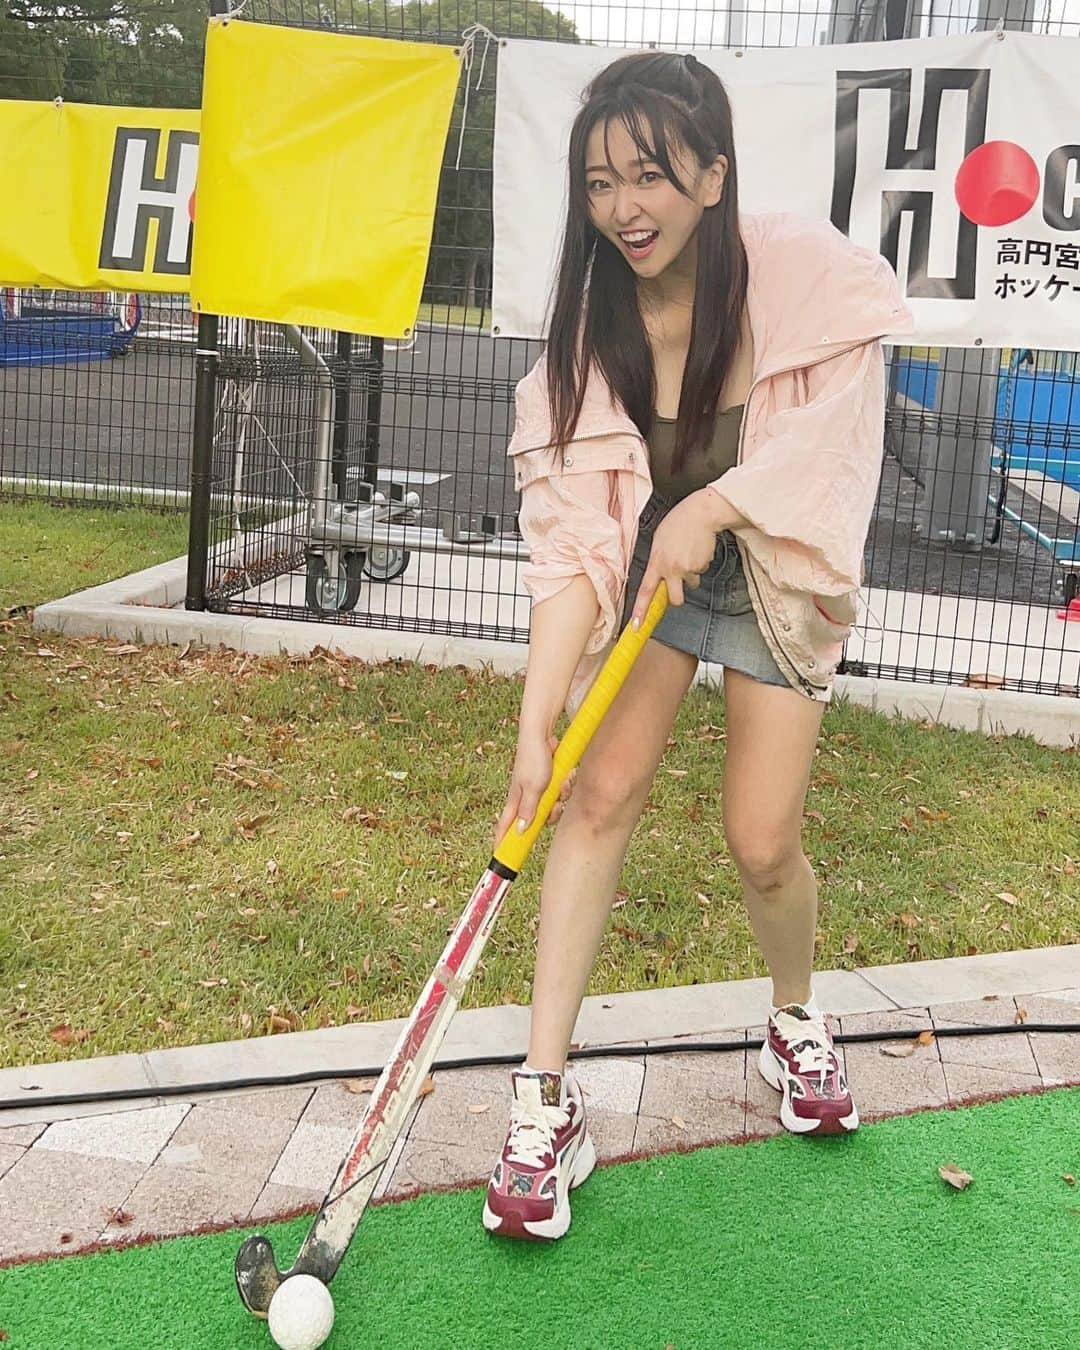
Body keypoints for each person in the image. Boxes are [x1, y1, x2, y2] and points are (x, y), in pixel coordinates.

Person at [482, 50, 914, 1242]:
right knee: (596, 792)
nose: (626, 207)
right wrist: (537, 721)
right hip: (649, 577)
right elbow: (576, 547)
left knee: (763, 839)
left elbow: (827, 456)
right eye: (602, 182)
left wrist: (711, 508)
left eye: (654, 177)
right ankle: (542, 1099)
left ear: (713, 176)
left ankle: (794, 1020)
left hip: (772, 563)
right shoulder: (587, 338)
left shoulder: (803, 283)